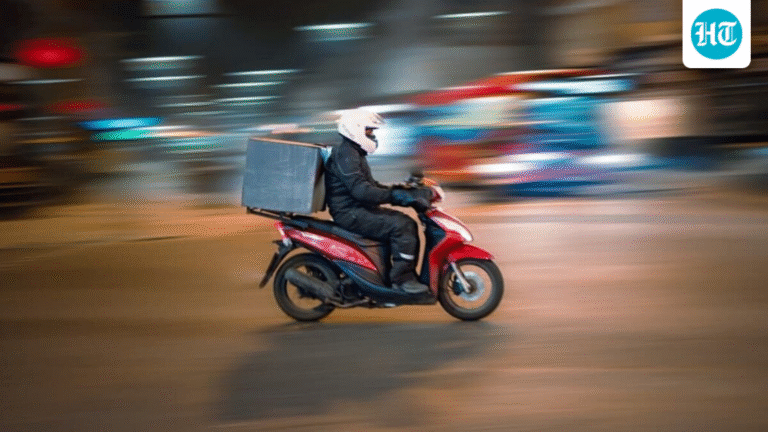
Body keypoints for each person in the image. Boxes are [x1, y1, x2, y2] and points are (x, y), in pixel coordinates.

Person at [324, 109, 433, 294]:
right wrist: (397, 197)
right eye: (369, 131)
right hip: (350, 212)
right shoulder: (347, 154)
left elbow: (371, 185)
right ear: (355, 129)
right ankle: (402, 280)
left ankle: (388, 274)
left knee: (401, 222)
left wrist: (401, 190)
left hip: (356, 209)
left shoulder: (353, 152)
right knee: (403, 225)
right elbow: (362, 191)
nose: (372, 135)